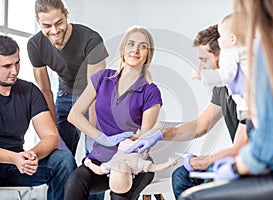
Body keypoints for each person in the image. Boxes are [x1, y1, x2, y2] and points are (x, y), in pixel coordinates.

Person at [179, 0, 273, 199]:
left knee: (191, 196)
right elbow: (202, 124)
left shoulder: (271, 47)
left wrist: (236, 167)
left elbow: (271, 141)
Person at [126, 24, 249, 199]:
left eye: (204, 60)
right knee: (182, 176)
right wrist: (160, 135)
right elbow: (201, 125)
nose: (197, 71)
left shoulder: (247, 90)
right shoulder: (222, 88)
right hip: (242, 156)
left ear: (224, 57)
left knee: (204, 179)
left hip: (253, 162)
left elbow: (242, 148)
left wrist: (204, 161)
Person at [64, 26, 163, 200]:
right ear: (123, 49)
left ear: (149, 54)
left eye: (142, 46)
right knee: (75, 181)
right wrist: (102, 138)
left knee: (119, 196)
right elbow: (75, 115)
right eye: (131, 44)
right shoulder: (102, 78)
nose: (135, 50)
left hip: (131, 164)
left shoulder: (150, 91)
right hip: (101, 158)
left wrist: (132, 146)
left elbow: (146, 134)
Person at [27, 0, 109, 156]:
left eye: (59, 23)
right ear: (38, 22)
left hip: (92, 97)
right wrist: (53, 130)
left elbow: (95, 89)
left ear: (66, 14)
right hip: (64, 95)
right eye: (46, 26)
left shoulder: (91, 40)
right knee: (61, 154)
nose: (54, 30)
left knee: (94, 153)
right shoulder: (35, 45)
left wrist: (93, 132)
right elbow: (45, 90)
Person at [0, 35, 76, 200]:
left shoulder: (29, 91)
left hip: (19, 166)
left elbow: (51, 136)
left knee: (63, 160)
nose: (14, 71)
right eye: (7, 66)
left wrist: (32, 155)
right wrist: (13, 158)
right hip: (9, 159)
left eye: (17, 63)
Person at [84, 138, 177, 194]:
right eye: (122, 170)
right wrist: (168, 164)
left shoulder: (108, 166)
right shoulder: (137, 166)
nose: (119, 166)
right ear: (130, 174)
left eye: (116, 169)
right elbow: (154, 168)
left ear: (110, 173)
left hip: (121, 139)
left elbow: (98, 170)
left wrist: (89, 164)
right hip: (139, 141)